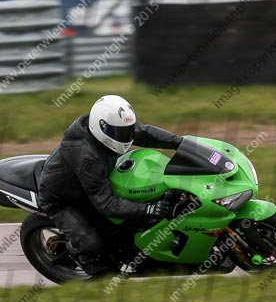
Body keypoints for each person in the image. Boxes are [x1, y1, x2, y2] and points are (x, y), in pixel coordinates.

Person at [38, 94, 182, 275]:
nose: (126, 137)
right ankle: (81, 259)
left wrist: (179, 142)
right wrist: (148, 209)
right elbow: (106, 203)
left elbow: (143, 132)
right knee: (91, 243)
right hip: (63, 199)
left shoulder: (112, 129)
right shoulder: (88, 158)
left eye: (126, 131)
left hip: (93, 184)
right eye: (120, 133)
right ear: (101, 127)